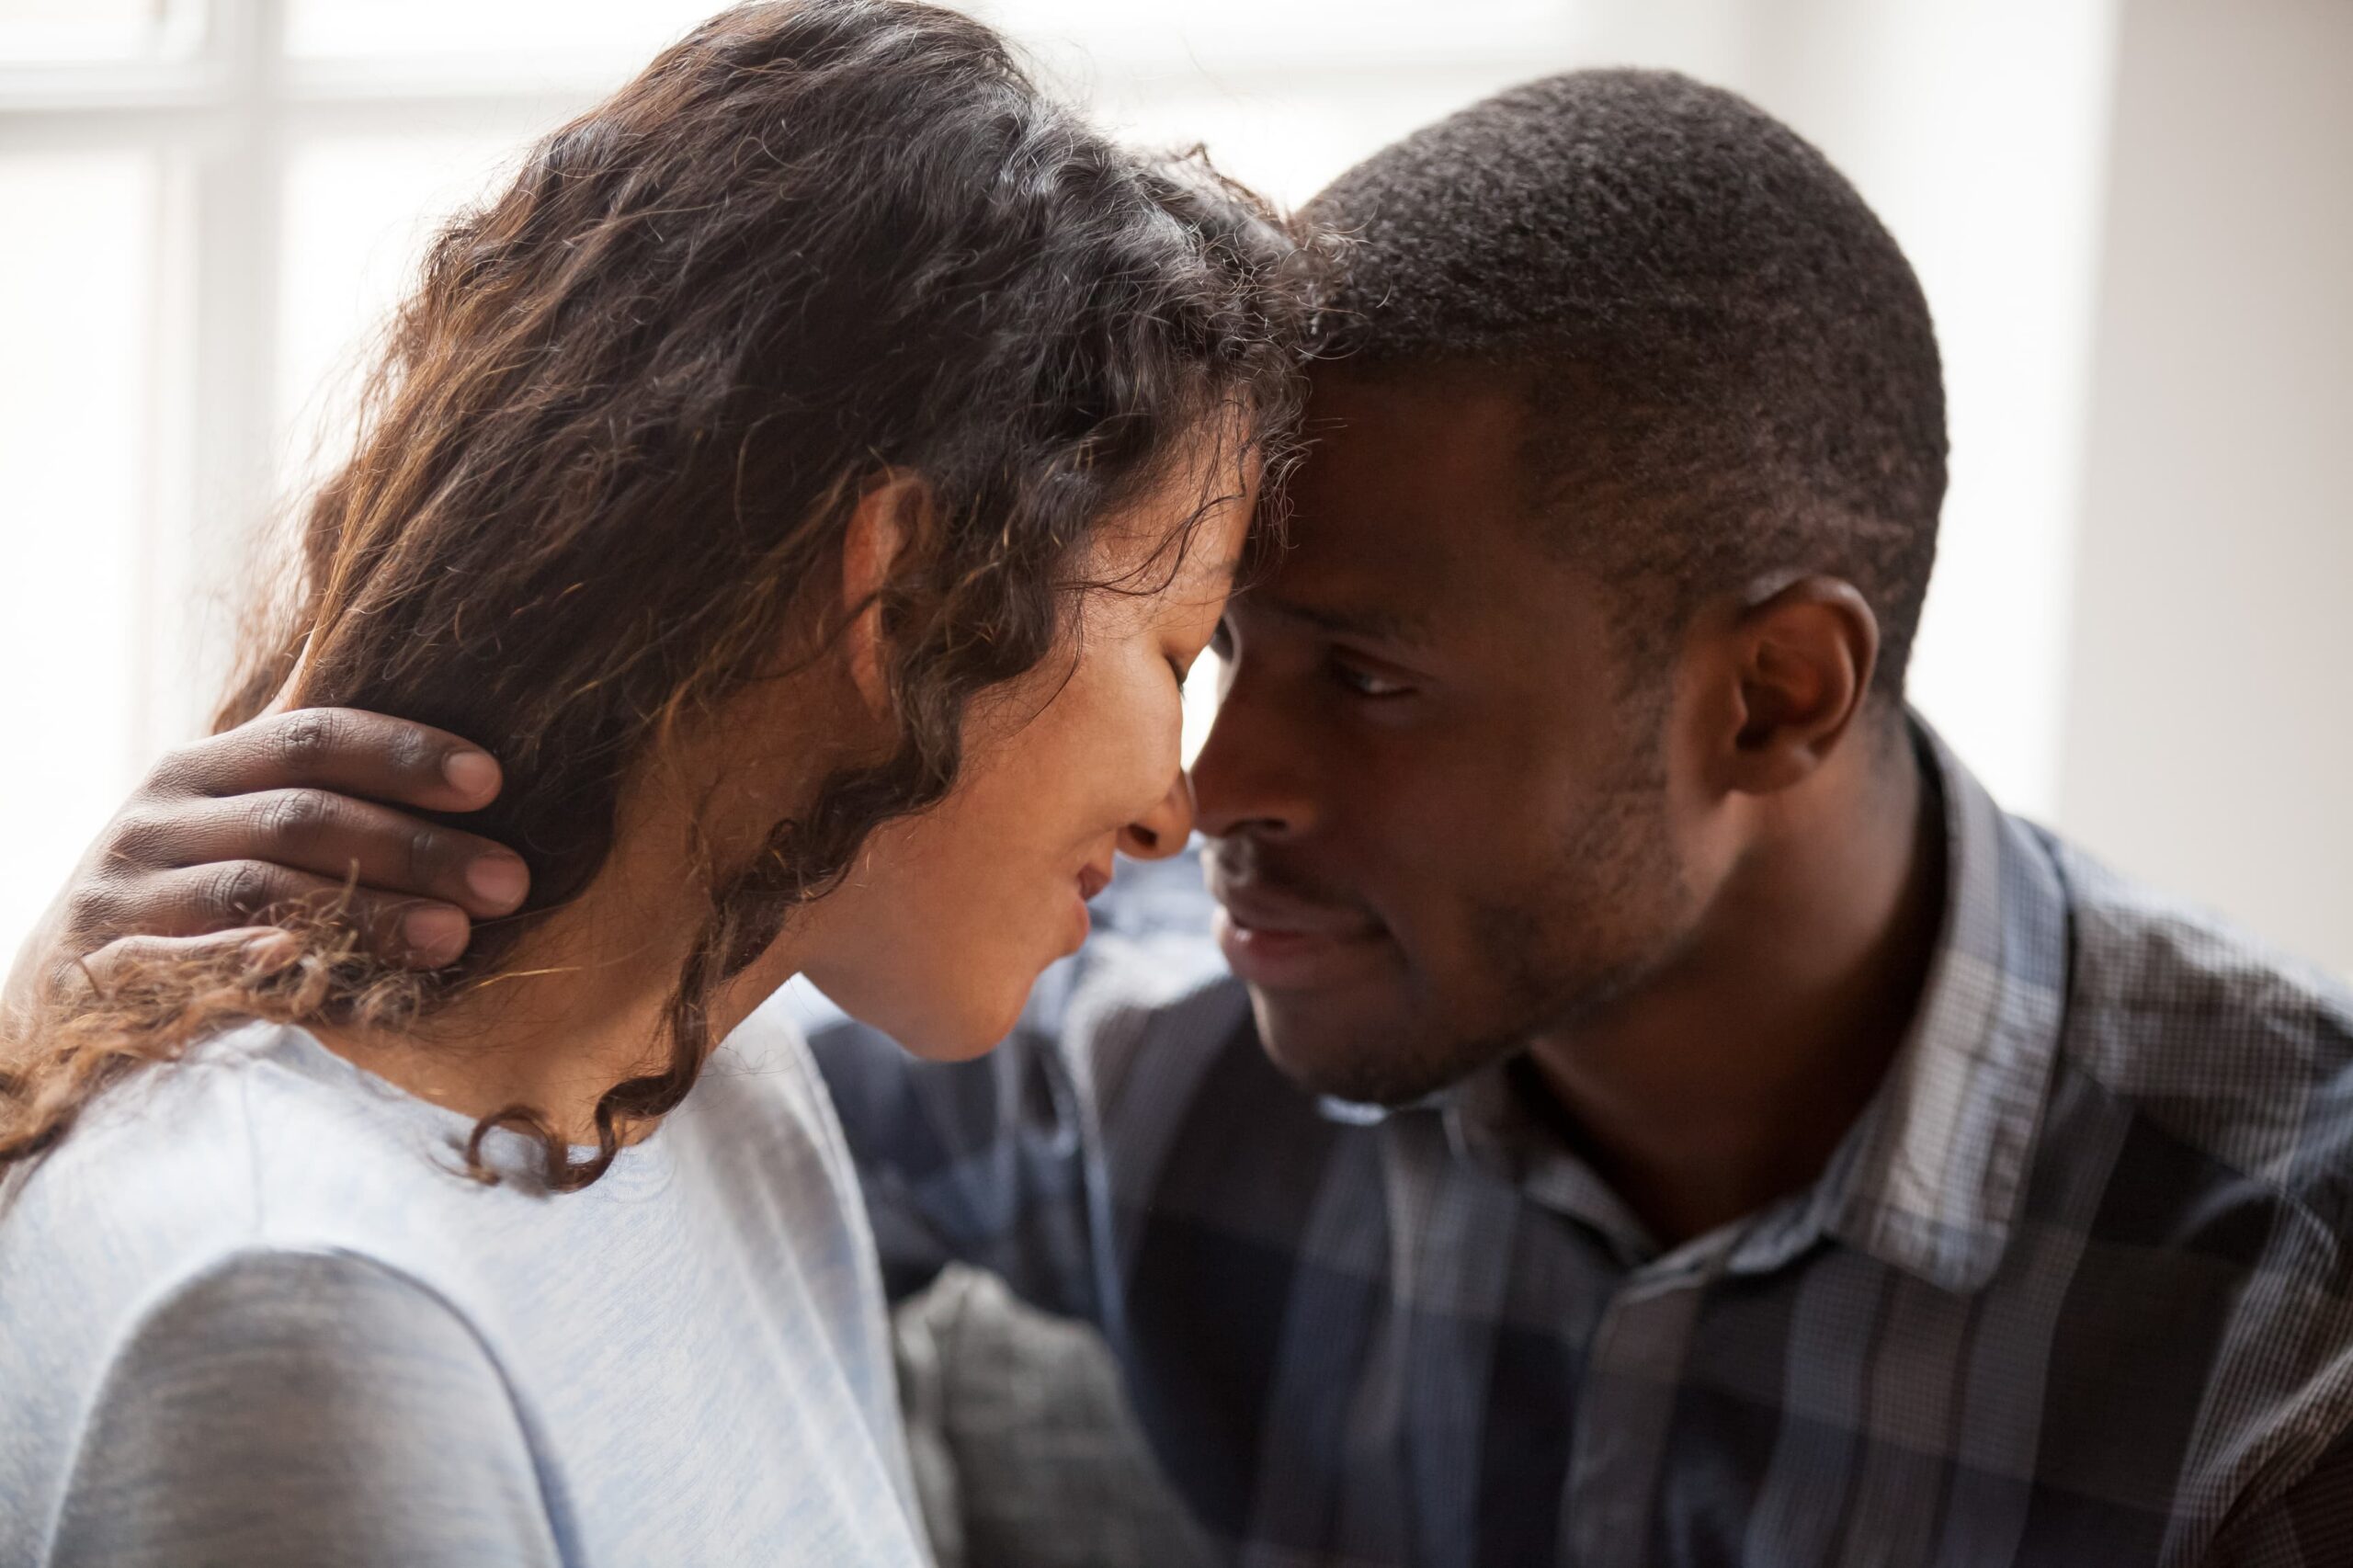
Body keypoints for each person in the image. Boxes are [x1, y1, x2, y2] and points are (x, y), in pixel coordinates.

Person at [19, 66, 2353, 1568]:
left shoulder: (2282, 1325)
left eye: (1366, 675)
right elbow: (558, 1045)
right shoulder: (1105, 1041)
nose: (1210, 791)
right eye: (1208, 643)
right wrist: (101, 1025)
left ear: (1773, 698)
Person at [0, 2, 1310, 1563]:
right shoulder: (309, 1314)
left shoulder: (721, 1090)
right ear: (905, 601)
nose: (1174, 811)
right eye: (1175, 653)